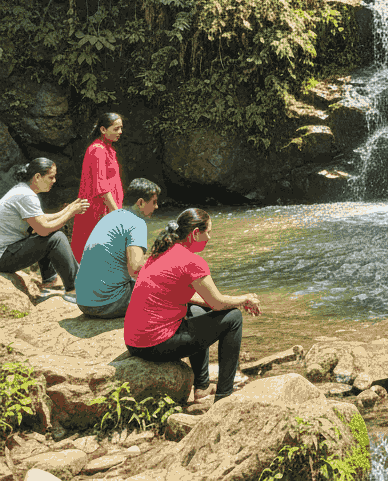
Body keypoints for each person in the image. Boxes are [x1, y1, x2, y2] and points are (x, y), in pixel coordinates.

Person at [124, 208, 261, 402]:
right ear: (195, 233)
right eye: (209, 232)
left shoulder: (161, 252)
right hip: (154, 344)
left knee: (197, 310)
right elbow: (217, 302)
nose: (210, 238)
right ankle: (224, 396)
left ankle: (202, 387)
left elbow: (197, 299)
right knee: (233, 318)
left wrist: (230, 301)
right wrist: (244, 299)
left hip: (134, 342)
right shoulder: (192, 262)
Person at [0, 158, 90, 295]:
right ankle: (75, 288)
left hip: (7, 252)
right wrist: (70, 213)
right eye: (51, 177)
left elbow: (41, 220)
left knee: (49, 233)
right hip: (3, 256)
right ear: (37, 177)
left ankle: (50, 281)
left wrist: (67, 210)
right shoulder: (26, 196)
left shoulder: (23, 190)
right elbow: (43, 229)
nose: (54, 181)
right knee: (56, 238)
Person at [74, 177, 161, 318]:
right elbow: (136, 268)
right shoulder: (136, 223)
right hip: (108, 304)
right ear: (140, 202)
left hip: (83, 302)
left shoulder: (110, 217)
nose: (156, 207)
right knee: (167, 289)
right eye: (154, 202)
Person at [71, 112, 125, 261]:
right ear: (103, 129)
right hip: (98, 210)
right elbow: (101, 187)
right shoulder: (97, 150)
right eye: (116, 129)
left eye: (121, 128)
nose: (120, 132)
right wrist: (117, 213)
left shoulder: (108, 149)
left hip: (107, 208)